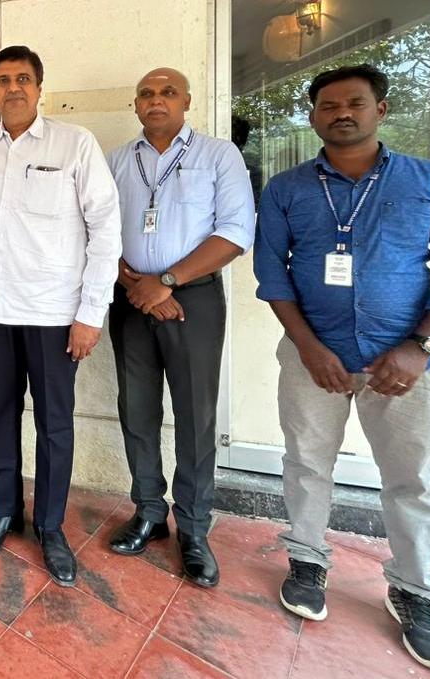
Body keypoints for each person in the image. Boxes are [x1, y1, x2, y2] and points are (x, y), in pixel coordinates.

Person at [254, 64, 430, 676]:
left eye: (354, 103)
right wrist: (307, 346)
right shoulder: (288, 189)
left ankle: (414, 590)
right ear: (313, 116)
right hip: (314, 356)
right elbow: (272, 272)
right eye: (328, 106)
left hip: (402, 361)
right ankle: (307, 561)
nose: (341, 114)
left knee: (413, 478)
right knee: (307, 462)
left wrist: (421, 348)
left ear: (380, 110)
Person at [0, 45, 121, 586]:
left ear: (40, 88)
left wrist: (91, 313)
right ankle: (3, 512)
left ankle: (50, 526)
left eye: (23, 78)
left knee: (54, 424)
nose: (13, 88)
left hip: (53, 314)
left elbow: (105, 229)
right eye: (3, 80)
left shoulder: (75, 144)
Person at [105, 68, 256, 588]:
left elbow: (235, 232)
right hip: (130, 298)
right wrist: (135, 284)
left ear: (187, 101)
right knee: (137, 410)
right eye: (146, 93)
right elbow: (96, 227)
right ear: (135, 104)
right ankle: (149, 511)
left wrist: (166, 282)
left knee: (195, 415)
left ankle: (193, 527)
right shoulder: (118, 161)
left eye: (168, 92)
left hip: (192, 300)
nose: (156, 100)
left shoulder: (218, 155)